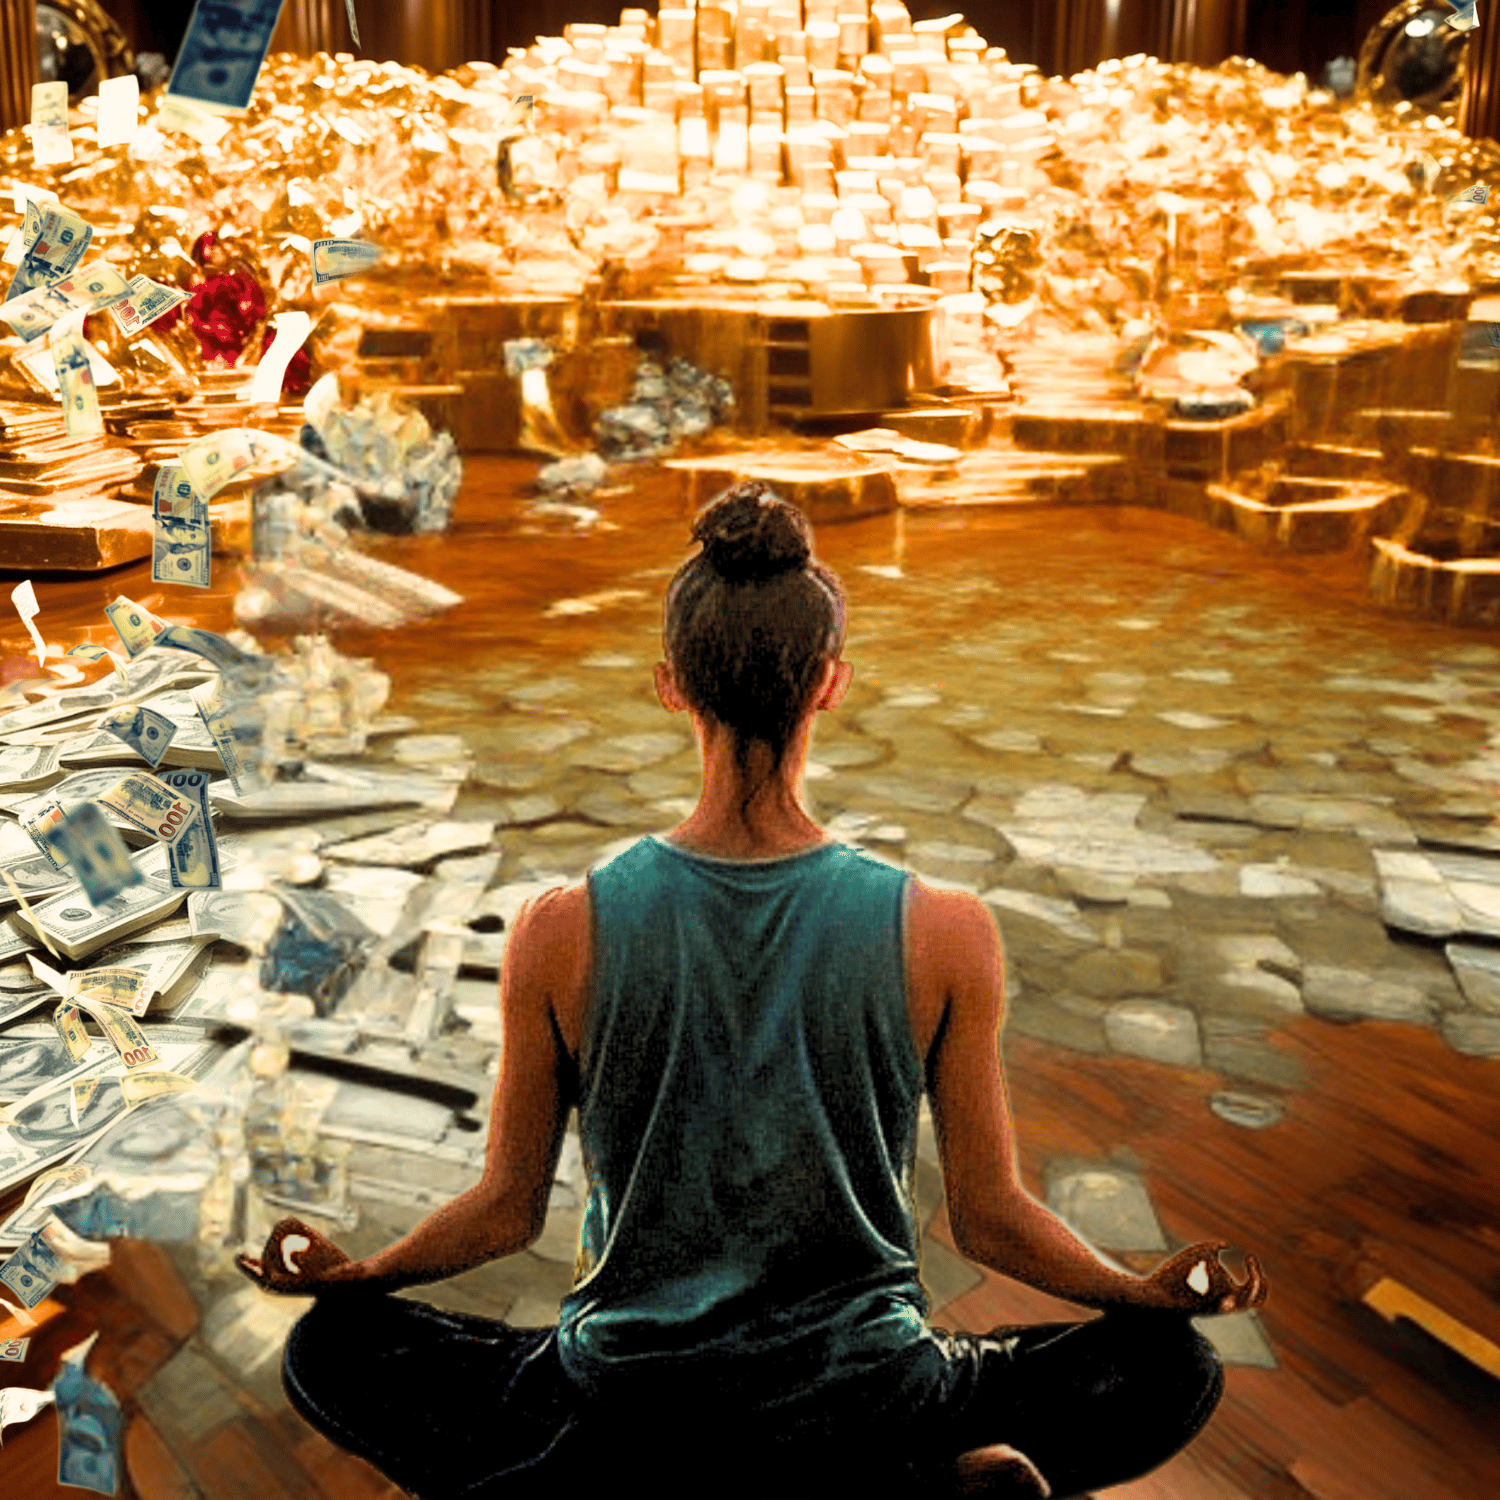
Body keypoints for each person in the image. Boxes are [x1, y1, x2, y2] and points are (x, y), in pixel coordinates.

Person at [238, 482, 1267, 1499]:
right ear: (829, 683)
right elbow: (989, 1218)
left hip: (629, 1398)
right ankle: (912, 1480)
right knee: (1172, 1364)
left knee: (333, 1347)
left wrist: (360, 1278)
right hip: (872, 1394)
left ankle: (587, 1481)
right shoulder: (947, 930)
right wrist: (1139, 1293)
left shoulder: (559, 929)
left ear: (671, 685)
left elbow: (505, 1211)